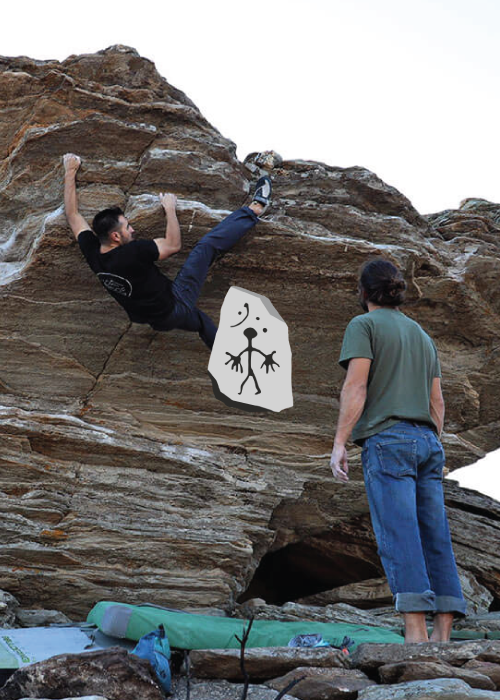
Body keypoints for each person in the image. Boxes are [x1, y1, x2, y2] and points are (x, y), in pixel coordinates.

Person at [330, 258, 466, 643]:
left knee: (399, 531)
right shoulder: (421, 335)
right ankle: (442, 631)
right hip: (428, 441)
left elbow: (356, 386)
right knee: (434, 533)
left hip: (388, 440)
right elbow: (437, 401)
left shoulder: (364, 325)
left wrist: (339, 443)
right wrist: (431, 442)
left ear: (363, 291)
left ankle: (415, 632)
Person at [63, 153, 272, 349]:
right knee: (205, 248)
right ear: (116, 237)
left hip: (158, 320)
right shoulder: (132, 252)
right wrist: (170, 209)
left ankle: (224, 354)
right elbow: (173, 246)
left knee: (200, 322)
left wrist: (70, 171)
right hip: (175, 303)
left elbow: (73, 215)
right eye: (128, 227)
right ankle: (256, 209)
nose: (132, 229)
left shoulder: (93, 253)